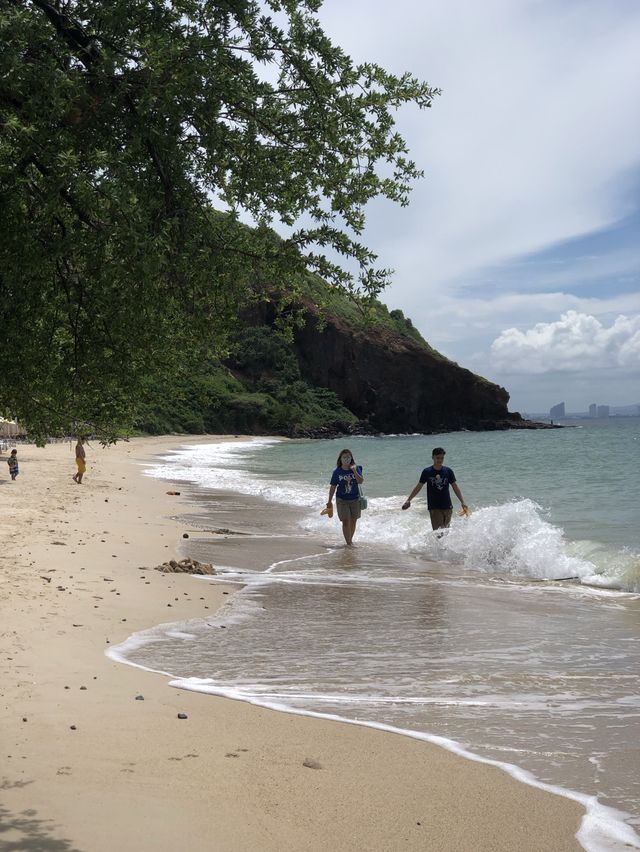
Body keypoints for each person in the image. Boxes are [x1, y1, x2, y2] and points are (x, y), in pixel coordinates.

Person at [402, 447, 468, 531]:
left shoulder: (448, 471)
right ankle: (437, 544)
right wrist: (409, 500)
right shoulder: (427, 472)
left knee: (446, 532)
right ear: (432, 457)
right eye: (437, 458)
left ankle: (443, 545)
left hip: (447, 506)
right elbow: (419, 486)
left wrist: (462, 502)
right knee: (439, 533)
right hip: (434, 507)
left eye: (442, 458)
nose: (440, 460)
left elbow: (455, 486)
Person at [327, 448, 364, 547]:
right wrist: (329, 501)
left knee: (353, 521)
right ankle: (349, 543)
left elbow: (360, 481)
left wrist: (354, 470)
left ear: (351, 458)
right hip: (342, 499)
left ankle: (349, 541)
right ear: (340, 459)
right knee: (346, 521)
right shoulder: (337, 472)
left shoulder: (358, 468)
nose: (346, 459)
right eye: (344, 457)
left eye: (348, 457)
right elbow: (333, 486)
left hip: (355, 499)